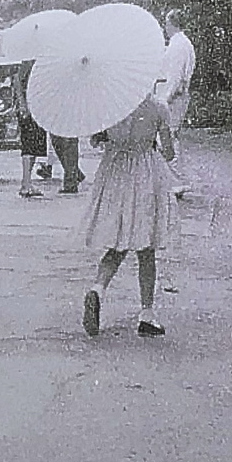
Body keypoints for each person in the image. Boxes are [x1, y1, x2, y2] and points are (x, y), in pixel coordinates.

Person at [79, 94, 177, 339]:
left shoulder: (111, 105)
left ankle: (97, 289)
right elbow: (169, 152)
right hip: (145, 173)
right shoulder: (157, 107)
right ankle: (146, 314)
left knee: (117, 241)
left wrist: (109, 136)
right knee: (146, 247)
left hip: (115, 173)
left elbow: (94, 140)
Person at [155, 8, 197, 192]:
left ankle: (178, 181)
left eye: (166, 22)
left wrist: (165, 100)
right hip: (172, 94)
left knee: (168, 137)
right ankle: (171, 179)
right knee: (167, 136)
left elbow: (176, 77)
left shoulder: (179, 45)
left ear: (172, 23)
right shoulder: (178, 43)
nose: (165, 26)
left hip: (173, 96)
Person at [13, 61, 48, 198]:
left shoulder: (33, 62)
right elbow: (18, 82)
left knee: (32, 147)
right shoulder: (29, 63)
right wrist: (22, 104)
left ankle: (26, 182)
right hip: (30, 108)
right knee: (29, 146)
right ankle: (26, 183)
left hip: (35, 107)